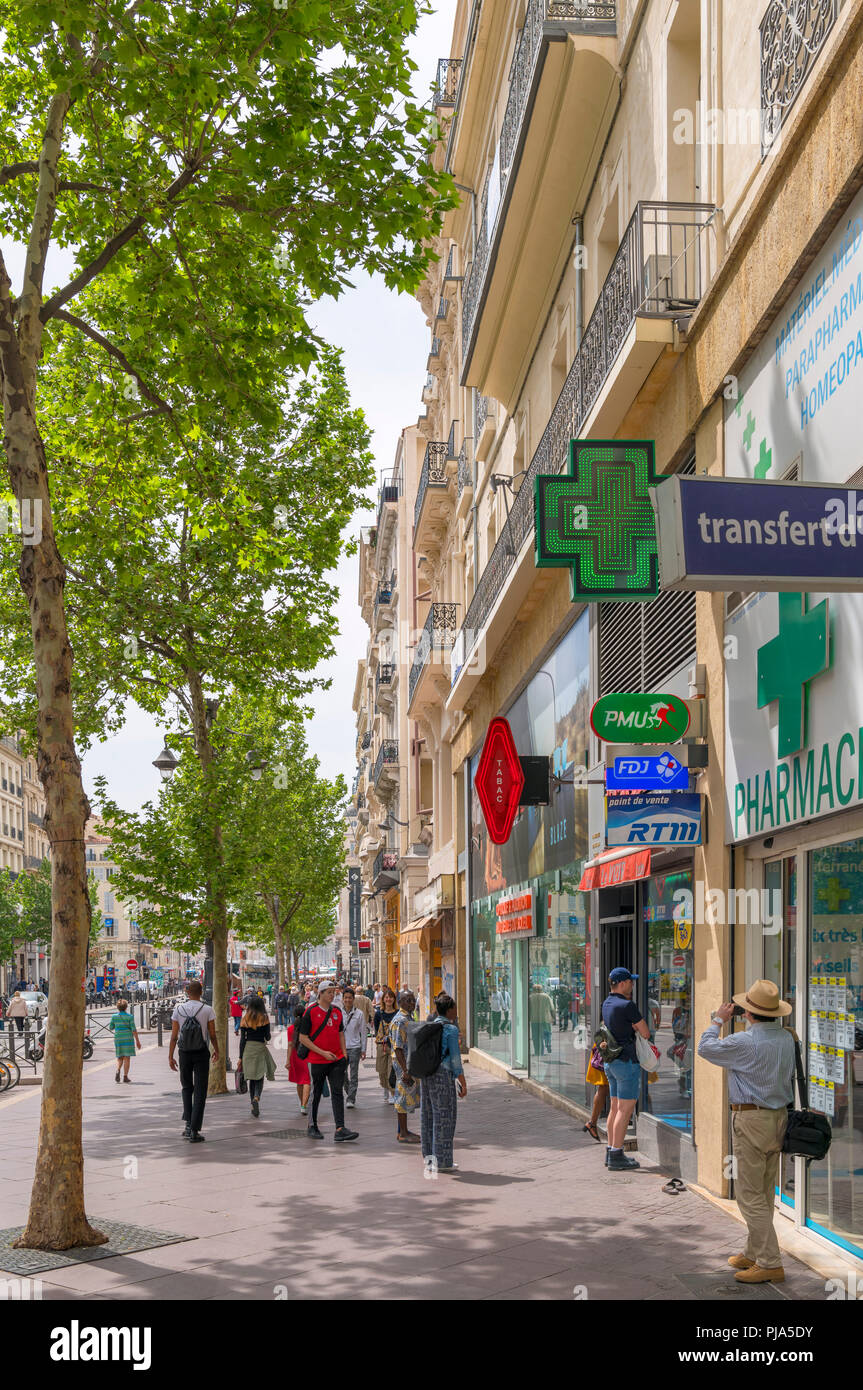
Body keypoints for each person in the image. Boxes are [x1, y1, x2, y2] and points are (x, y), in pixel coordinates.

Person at [697, 979, 795, 1285]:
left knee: (749, 1196)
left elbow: (705, 1048)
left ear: (748, 1013)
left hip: (751, 1121)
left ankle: (769, 1261)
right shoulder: (786, 1038)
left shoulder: (744, 1042)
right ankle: (754, 1251)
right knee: (764, 1192)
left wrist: (717, 1020)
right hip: (778, 1119)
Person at [601, 967, 651, 1171]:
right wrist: (635, 1027)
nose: (632, 984)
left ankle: (611, 1149)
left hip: (610, 1062)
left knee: (614, 1107)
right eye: (631, 981)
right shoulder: (628, 1005)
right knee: (625, 1109)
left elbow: (611, 1025)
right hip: (626, 1062)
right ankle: (617, 1155)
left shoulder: (607, 1003)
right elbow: (646, 1033)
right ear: (622, 983)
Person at [298, 981, 358, 1142]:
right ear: (321, 993)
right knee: (316, 1092)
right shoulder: (310, 1011)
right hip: (317, 1060)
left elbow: (340, 1034)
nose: (332, 995)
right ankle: (312, 1125)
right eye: (329, 992)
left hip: (336, 1059)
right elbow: (303, 1038)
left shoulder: (336, 1011)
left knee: (337, 1092)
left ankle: (340, 1128)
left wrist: (344, 1054)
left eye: (333, 992)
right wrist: (322, 1053)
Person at [420, 992, 467, 1173]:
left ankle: (430, 1159)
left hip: (427, 1075)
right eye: (454, 1008)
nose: (456, 1011)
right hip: (443, 1076)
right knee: (444, 1117)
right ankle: (444, 1161)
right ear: (449, 1010)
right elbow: (455, 1060)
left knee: (428, 1115)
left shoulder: (430, 1026)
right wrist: (462, 1081)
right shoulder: (451, 1029)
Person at [169, 980, 219, 1143]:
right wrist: (216, 1050)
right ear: (201, 992)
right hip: (201, 1053)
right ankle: (195, 1131)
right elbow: (212, 1034)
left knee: (186, 1087)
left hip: (184, 1053)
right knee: (200, 1091)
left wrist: (170, 1056)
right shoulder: (207, 1010)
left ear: (187, 992)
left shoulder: (178, 1009)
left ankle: (188, 1125)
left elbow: (174, 1036)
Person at [390, 990, 420, 1143]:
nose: (412, 1003)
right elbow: (398, 1048)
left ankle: (405, 1130)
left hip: (409, 1062)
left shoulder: (408, 1017)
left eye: (413, 1000)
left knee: (406, 1095)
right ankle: (403, 1133)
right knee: (402, 1096)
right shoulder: (400, 1020)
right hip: (403, 1064)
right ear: (400, 1002)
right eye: (408, 1000)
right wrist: (405, 1071)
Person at [239, 994, 276, 1118]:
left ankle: (252, 1104)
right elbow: (267, 1037)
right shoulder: (264, 1018)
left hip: (248, 1050)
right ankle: (256, 1097)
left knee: (251, 1077)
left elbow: (242, 1041)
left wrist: (240, 1057)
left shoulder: (245, 1018)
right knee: (259, 1076)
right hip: (260, 1048)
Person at [341, 986, 367, 1108]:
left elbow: (363, 1032)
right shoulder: (338, 1013)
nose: (348, 1000)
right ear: (342, 999)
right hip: (341, 1048)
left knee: (354, 1075)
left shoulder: (359, 1014)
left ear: (353, 999)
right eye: (345, 998)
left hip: (355, 1047)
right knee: (342, 1074)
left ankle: (351, 1099)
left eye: (350, 998)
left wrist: (363, 1049)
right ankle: (349, 1092)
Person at [374, 985, 399, 1103]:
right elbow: (375, 1028)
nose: (388, 999)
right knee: (381, 1070)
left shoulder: (398, 1013)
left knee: (391, 1070)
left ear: (394, 999)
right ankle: (385, 1088)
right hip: (381, 1045)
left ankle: (392, 1092)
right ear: (383, 999)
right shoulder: (379, 1013)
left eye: (391, 997)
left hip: (394, 1046)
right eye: (386, 997)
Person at [286, 1002, 312, 1114]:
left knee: (299, 1081)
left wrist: (287, 1060)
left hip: (295, 1056)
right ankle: (304, 1105)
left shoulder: (291, 1029)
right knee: (307, 1080)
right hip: (307, 1055)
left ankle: (302, 1103)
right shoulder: (308, 1027)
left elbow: (290, 1045)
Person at [109, 998, 141, 1083]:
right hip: (128, 1038)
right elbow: (134, 1030)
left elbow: (111, 1027)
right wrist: (137, 1041)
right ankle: (125, 1076)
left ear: (118, 1007)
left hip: (118, 1038)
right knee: (127, 1057)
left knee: (120, 1057)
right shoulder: (130, 1017)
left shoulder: (114, 1016)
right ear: (126, 1007)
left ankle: (118, 1070)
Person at [583, 1040, 608, 1142]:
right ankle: (592, 1123)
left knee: (604, 1087)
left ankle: (592, 1123)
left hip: (605, 1047)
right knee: (604, 1087)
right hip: (608, 1049)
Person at [528, 983, 555, 1057]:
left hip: (534, 1020)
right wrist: (553, 1017)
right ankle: (548, 1044)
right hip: (545, 1019)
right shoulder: (546, 996)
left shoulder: (530, 997)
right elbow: (552, 1008)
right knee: (547, 1034)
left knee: (536, 1036)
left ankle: (538, 1051)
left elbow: (528, 1009)